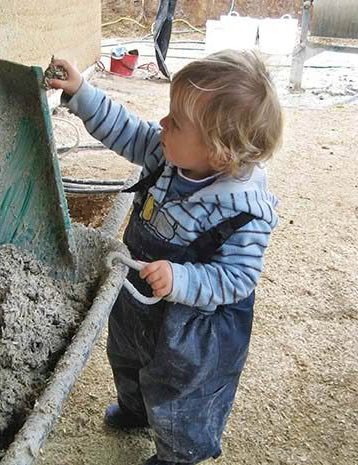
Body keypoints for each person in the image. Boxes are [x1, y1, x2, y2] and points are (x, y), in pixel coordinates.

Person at [46, 48, 283, 465]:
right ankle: (136, 410)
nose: (162, 123)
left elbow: (237, 279)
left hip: (194, 328)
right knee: (127, 356)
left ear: (220, 152)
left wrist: (182, 280)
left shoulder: (243, 210)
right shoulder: (170, 155)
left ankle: (177, 452)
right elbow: (128, 131)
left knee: (181, 393)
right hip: (141, 298)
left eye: (176, 122)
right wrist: (82, 92)